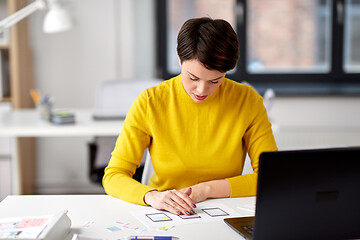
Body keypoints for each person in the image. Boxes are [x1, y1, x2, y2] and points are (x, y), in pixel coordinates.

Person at [103, 17, 277, 216]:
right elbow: (114, 175)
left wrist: (206, 190)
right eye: (193, 78)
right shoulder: (150, 102)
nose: (202, 90)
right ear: (179, 60)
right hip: (163, 213)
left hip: (226, 211)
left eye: (215, 80)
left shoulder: (247, 100)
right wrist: (152, 196)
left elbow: (270, 177)